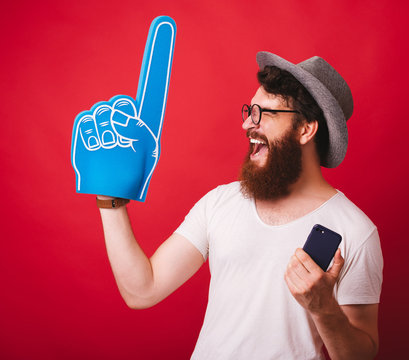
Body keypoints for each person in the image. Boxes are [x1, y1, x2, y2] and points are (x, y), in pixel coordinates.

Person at [96, 52, 383, 360]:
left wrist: (324, 309)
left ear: (305, 130)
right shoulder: (221, 202)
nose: (247, 123)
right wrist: (108, 196)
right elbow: (143, 291)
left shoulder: (355, 231)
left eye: (263, 113)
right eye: (249, 111)